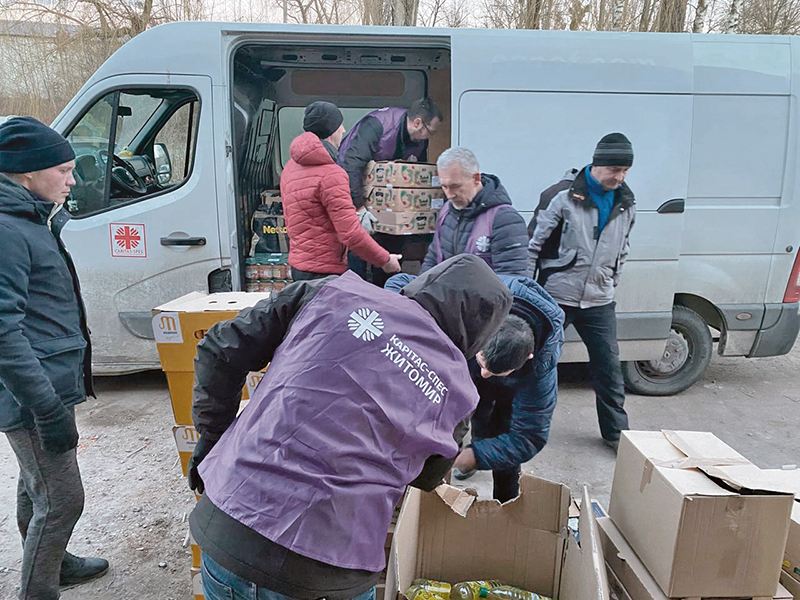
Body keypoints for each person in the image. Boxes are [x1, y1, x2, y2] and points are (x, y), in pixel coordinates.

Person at [186, 254, 513, 600]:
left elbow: (220, 349)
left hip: (230, 532)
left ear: (428, 280)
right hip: (332, 572)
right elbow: (425, 478)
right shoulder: (458, 392)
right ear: (483, 333)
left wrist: (212, 443)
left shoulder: (332, 291)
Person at [0, 117, 108, 600]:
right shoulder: (6, 230)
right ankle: (38, 592)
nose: (73, 179)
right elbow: (3, 332)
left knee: (36, 487)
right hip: (30, 394)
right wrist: (45, 408)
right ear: (27, 172)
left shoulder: (26, 218)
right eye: (63, 170)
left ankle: (56, 565)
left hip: (41, 384)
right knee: (63, 500)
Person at [386, 274, 564, 503]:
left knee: (502, 436)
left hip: (511, 390)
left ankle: (505, 509)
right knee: (453, 418)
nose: (484, 375)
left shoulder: (540, 369)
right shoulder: (474, 297)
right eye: (482, 364)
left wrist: (473, 456)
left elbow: (528, 437)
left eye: (494, 372)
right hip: (467, 353)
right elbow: (400, 282)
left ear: (527, 358)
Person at [527, 133, 636, 450]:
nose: (620, 177)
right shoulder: (562, 196)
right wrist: (528, 294)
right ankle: (519, 428)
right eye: (614, 169)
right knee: (532, 362)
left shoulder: (625, 203)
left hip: (599, 300)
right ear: (596, 164)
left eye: (625, 171)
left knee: (609, 368)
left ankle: (616, 435)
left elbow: (624, 247)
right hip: (557, 296)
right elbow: (531, 247)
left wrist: (611, 279)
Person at [281, 101, 401, 280]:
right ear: (331, 131)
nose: (344, 130)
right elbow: (351, 233)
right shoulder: (331, 174)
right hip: (325, 273)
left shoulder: (291, 167)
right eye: (339, 125)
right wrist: (385, 260)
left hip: (299, 268)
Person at [337, 98, 443, 279]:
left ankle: (385, 290)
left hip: (389, 203)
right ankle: (355, 288)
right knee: (360, 244)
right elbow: (352, 165)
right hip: (355, 191)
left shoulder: (418, 141)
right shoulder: (378, 126)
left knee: (391, 245)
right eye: (430, 131)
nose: (429, 137)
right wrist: (359, 208)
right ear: (418, 123)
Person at [420, 147, 528, 276]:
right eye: (444, 186)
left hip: (485, 295)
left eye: (455, 186)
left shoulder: (504, 219)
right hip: (447, 294)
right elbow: (433, 259)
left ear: (476, 179)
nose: (449, 195)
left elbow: (513, 278)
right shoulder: (446, 211)